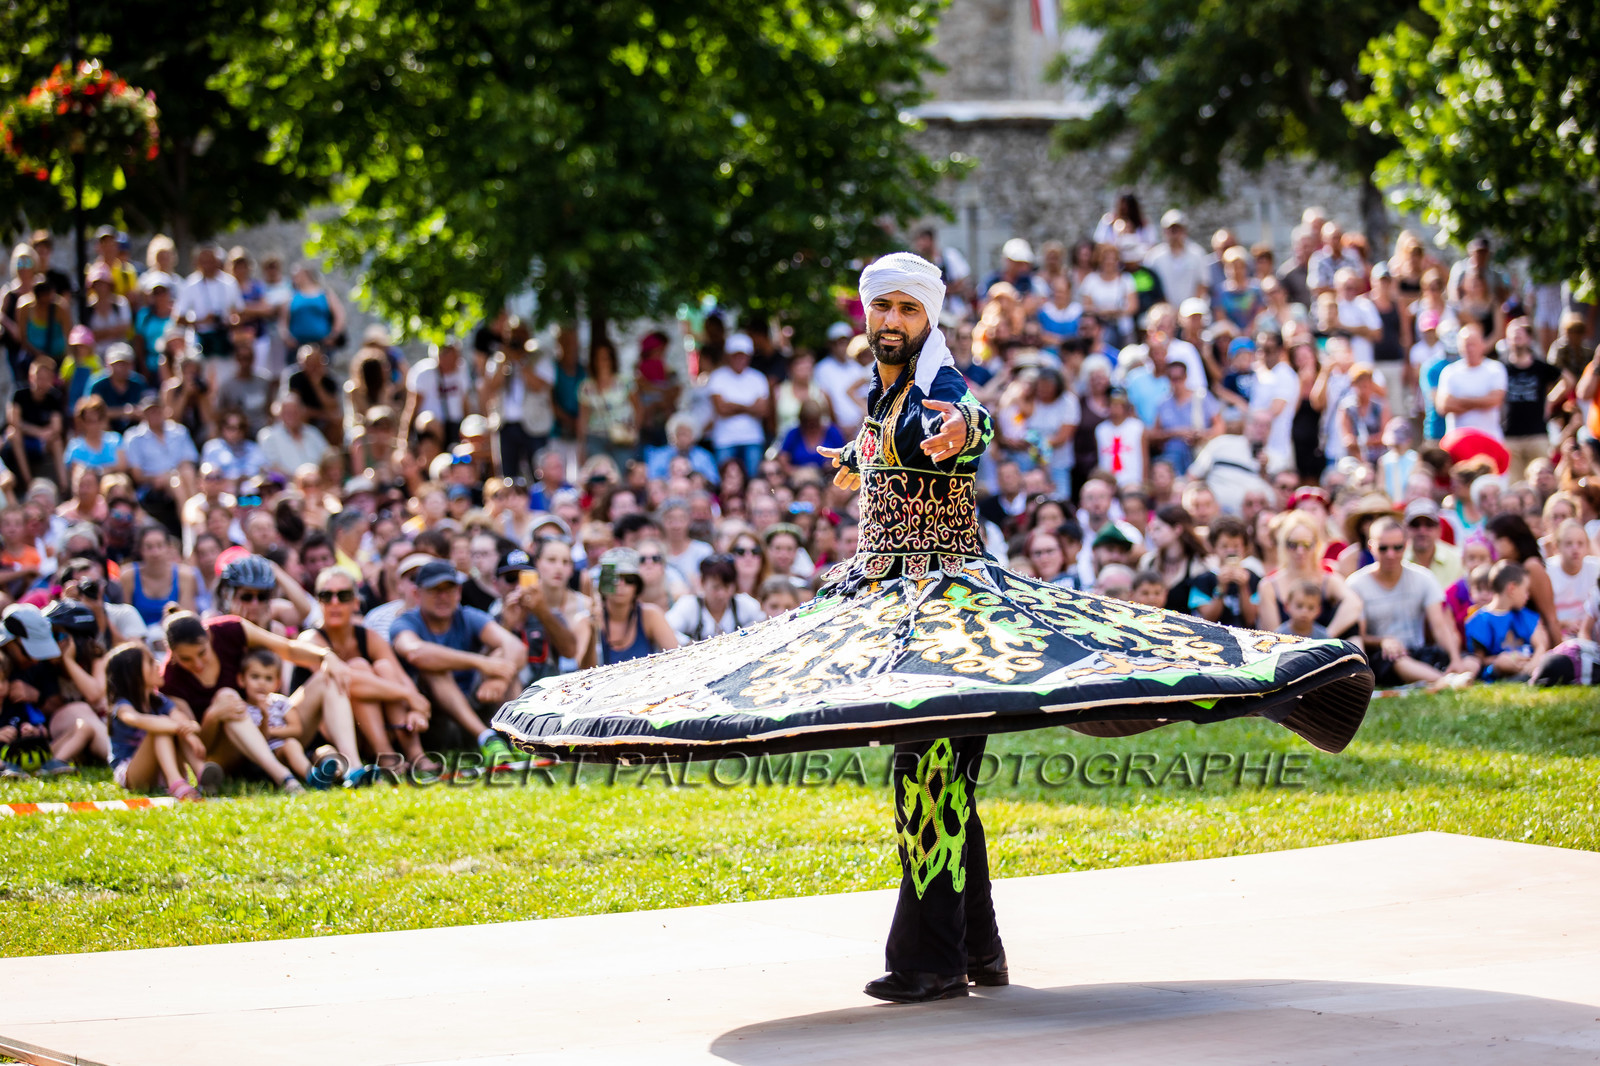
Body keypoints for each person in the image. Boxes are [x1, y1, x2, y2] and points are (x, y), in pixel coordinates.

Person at [493, 250, 1374, 1008]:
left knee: (931, 772)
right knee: (937, 771)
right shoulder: (881, 395)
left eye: (906, 308)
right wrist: (855, 457)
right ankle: (972, 951)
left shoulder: (939, 385)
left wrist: (955, 429)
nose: (890, 319)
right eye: (880, 305)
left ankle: (930, 964)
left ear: (929, 318)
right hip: (883, 604)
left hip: (950, 613)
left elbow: (968, 423)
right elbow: (883, 454)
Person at [389, 559, 524, 766]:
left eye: (449, 589)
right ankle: (487, 739)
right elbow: (415, 652)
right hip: (430, 720)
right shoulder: (405, 622)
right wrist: (480, 663)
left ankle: (521, 740)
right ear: (417, 594)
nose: (443, 596)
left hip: (475, 704)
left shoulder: (468, 616)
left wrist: (499, 680)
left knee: (501, 658)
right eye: (435, 590)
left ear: (459, 592)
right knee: (434, 667)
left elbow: (515, 646)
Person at [1348, 517, 1472, 686]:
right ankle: (1445, 681)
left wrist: (1455, 658)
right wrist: (1383, 641)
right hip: (1383, 656)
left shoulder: (1423, 577)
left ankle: (1446, 676)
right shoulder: (1356, 584)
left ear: (1405, 545)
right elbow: (1358, 635)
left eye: (1397, 547)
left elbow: (1440, 626)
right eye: (1383, 548)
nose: (1391, 554)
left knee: (1471, 661)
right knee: (1399, 661)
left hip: (1418, 652)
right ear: (1371, 547)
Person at [105, 642, 211, 800]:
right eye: (149, 662)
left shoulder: (161, 701)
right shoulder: (122, 706)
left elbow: (180, 718)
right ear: (133, 674)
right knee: (160, 726)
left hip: (161, 771)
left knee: (167, 725)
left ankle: (203, 774)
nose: (157, 665)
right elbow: (137, 719)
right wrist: (180, 728)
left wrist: (189, 732)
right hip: (134, 775)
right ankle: (176, 783)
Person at [1463, 561, 1546, 681]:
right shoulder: (1479, 620)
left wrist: (1532, 663)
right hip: (1500, 666)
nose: (1527, 596)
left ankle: (1529, 673)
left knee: (1547, 658)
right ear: (1511, 588)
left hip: (1529, 660)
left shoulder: (1524, 615)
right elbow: (1479, 660)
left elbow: (1541, 645)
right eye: (1525, 590)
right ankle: (1527, 675)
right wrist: (1509, 658)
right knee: (1503, 662)